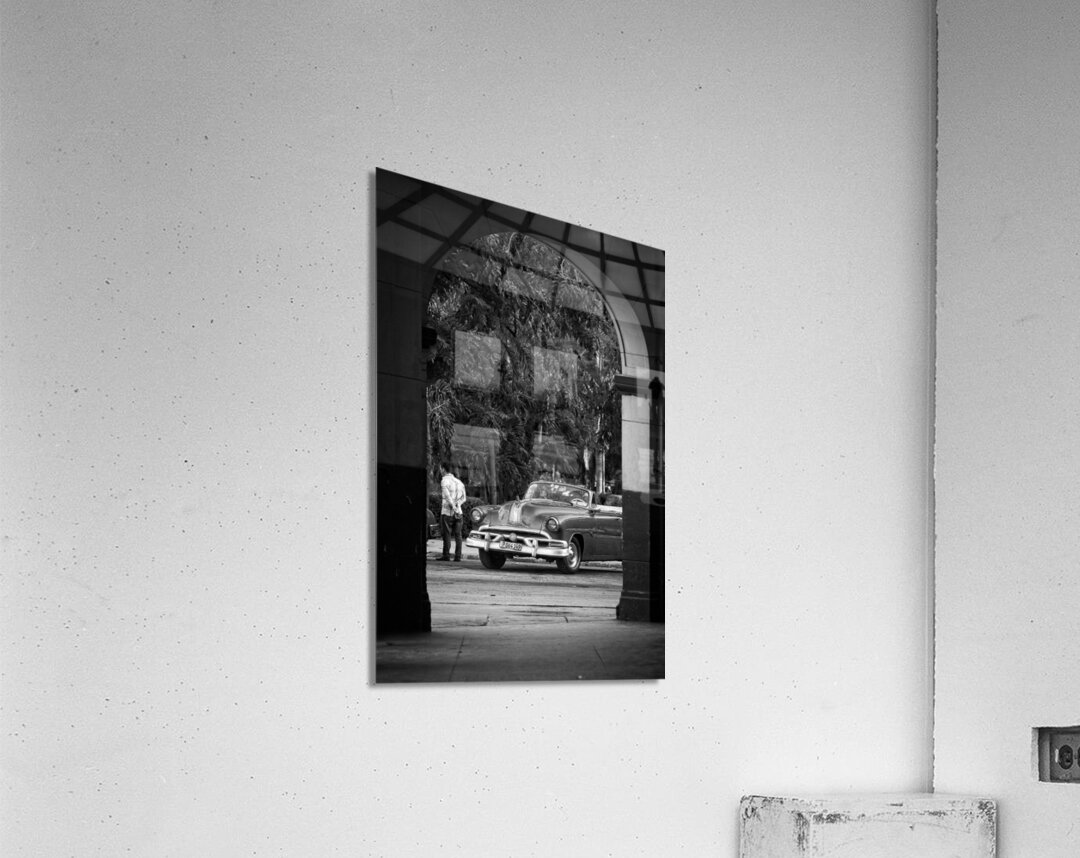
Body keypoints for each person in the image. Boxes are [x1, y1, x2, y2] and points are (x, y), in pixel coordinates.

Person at [437, 461, 466, 561]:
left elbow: (447, 496)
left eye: (440, 468)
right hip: (459, 512)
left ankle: (446, 555)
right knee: (458, 535)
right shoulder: (459, 482)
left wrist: (453, 506)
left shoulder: (444, 481)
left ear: (443, 469)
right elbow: (464, 498)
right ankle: (458, 557)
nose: (440, 470)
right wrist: (457, 505)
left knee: (447, 534)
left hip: (447, 512)